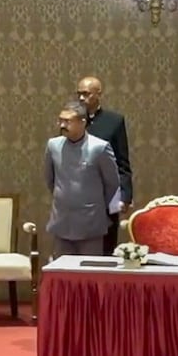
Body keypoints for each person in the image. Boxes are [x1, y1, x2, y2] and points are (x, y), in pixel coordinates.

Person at [45, 101, 120, 257]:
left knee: (89, 275)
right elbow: (50, 178)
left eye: (68, 121)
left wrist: (95, 204)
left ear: (82, 122)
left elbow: (112, 183)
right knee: (62, 274)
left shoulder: (99, 147)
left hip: (90, 221)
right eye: (61, 120)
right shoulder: (53, 145)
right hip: (62, 219)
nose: (62, 125)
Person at [76, 76, 133, 255]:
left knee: (105, 250)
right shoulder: (73, 120)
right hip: (78, 198)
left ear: (98, 94)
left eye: (86, 94)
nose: (81, 99)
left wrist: (125, 195)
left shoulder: (113, 121)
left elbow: (122, 162)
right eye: (79, 94)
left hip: (106, 197)